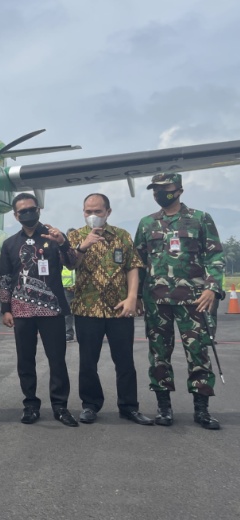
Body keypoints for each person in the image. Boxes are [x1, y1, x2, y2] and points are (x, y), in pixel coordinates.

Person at [135, 173, 224, 429]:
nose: (160, 193)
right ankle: (164, 408)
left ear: (179, 190)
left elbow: (214, 255)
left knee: (198, 353)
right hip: (156, 301)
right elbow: (138, 263)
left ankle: (202, 410)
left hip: (195, 300)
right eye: (155, 189)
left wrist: (212, 288)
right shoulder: (146, 223)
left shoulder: (199, 218)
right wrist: (139, 296)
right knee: (159, 355)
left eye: (165, 188)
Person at [68, 193, 152, 426]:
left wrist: (132, 297)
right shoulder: (75, 236)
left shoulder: (122, 236)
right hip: (87, 309)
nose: (93, 216)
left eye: (98, 211)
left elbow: (133, 267)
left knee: (125, 361)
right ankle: (90, 405)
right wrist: (83, 247)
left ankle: (129, 407)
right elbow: (70, 264)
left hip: (119, 309)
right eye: (88, 211)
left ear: (108, 212)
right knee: (88, 362)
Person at [0, 193, 78, 427]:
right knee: (25, 360)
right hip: (22, 311)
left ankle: (60, 406)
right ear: (15, 215)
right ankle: (31, 404)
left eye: (31, 209)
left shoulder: (54, 237)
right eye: (22, 211)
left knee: (57, 360)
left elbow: (72, 263)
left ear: (39, 210)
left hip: (52, 310)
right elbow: (4, 278)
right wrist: (6, 308)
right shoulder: (10, 243)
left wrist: (63, 242)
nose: (28, 214)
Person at [61, 262, 76, 342]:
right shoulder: (64, 251)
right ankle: (69, 333)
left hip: (80, 285)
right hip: (66, 285)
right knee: (68, 312)